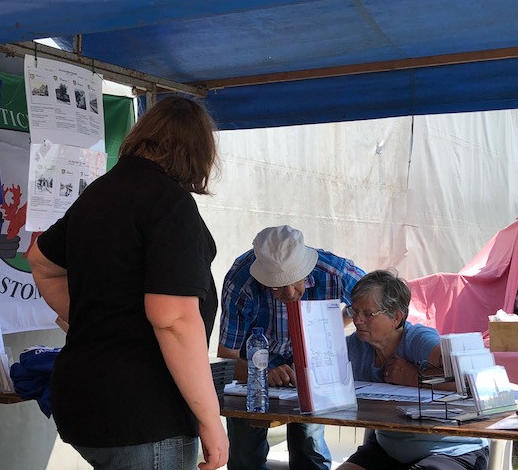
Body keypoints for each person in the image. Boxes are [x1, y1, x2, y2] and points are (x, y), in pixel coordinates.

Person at [28, 96, 228, 470]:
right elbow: (173, 318)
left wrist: (96, 319)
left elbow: (41, 261)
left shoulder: (100, 192)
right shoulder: (169, 202)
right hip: (144, 408)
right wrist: (210, 418)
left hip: (85, 399)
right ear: (198, 152)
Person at [217, 225, 366, 470]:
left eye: (295, 281)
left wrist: (331, 328)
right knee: (245, 454)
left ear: (306, 268)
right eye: (276, 286)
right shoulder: (241, 282)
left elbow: (381, 300)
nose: (289, 293)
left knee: (310, 448)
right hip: (255, 363)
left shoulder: (334, 272)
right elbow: (227, 357)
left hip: (309, 360)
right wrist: (261, 373)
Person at [340, 269, 489, 470]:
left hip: (449, 449)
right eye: (355, 311)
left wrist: (413, 377)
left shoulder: (419, 340)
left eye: (368, 314)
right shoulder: (355, 345)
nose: (357, 320)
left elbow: (472, 378)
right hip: (388, 448)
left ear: (396, 317)